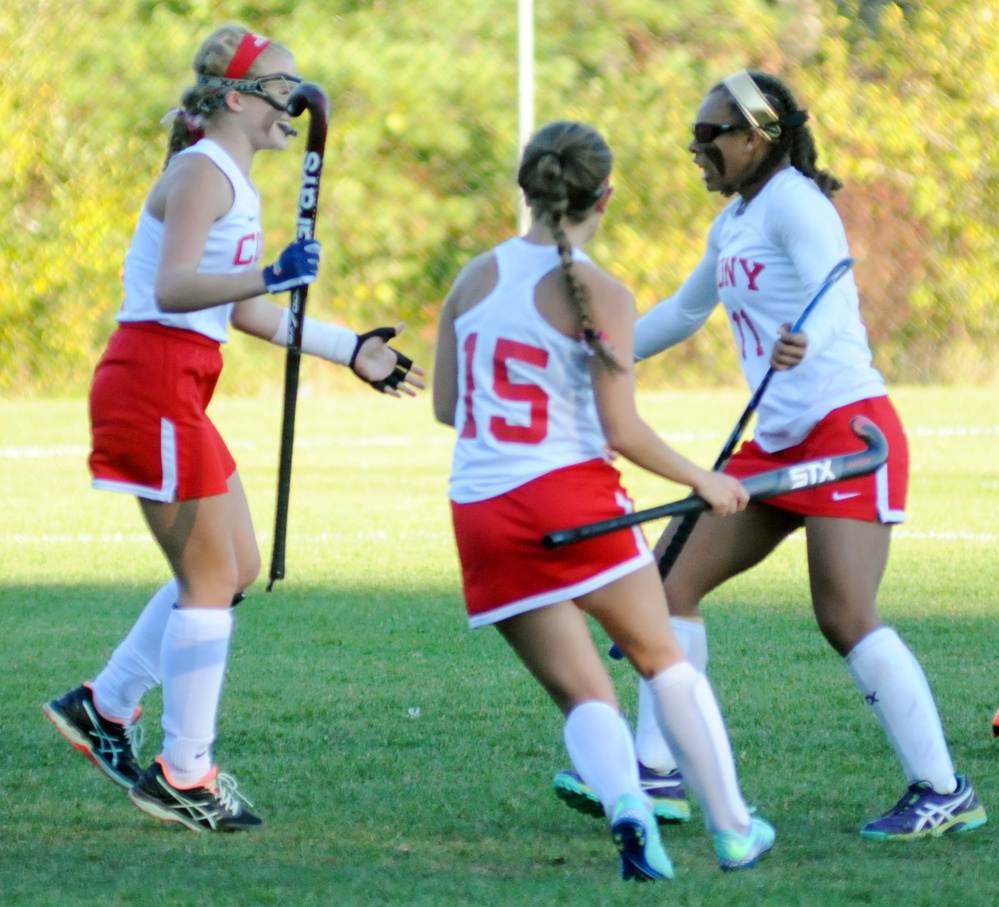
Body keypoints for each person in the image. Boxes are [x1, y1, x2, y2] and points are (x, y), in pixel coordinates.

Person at [553, 69, 986, 841]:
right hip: (777, 442)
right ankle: (657, 771)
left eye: (709, 135)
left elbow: (832, 289)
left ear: (755, 137)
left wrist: (805, 339)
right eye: (694, 136)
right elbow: (686, 310)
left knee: (844, 613)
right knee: (666, 585)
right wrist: (601, 356)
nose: (696, 150)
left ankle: (942, 788)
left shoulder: (796, 202)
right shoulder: (736, 220)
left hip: (849, 435)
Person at [42, 24, 423, 834]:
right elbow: (179, 285)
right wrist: (274, 270)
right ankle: (185, 771)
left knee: (235, 564)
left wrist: (348, 349)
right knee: (210, 578)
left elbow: (242, 309)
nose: (298, 98)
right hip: (150, 378)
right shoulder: (200, 173)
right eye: (286, 83)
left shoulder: (234, 181)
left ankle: (103, 705)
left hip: (181, 382)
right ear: (242, 97)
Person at [433, 120, 775, 880]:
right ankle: (734, 829)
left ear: (526, 188)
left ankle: (626, 807)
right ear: (604, 195)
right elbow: (620, 429)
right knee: (663, 660)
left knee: (583, 690)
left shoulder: (472, 278)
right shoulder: (604, 293)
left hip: (482, 510)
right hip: (572, 499)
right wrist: (703, 478)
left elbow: (448, 408)